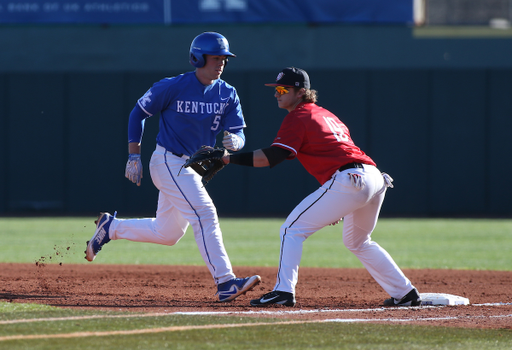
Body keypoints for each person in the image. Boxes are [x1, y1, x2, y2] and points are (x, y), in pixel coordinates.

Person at [221, 67, 421, 307]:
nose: (277, 94)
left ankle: (283, 291)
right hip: (374, 178)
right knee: (358, 242)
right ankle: (405, 293)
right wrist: (340, 203)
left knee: (291, 229)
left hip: (351, 178)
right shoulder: (326, 114)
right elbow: (335, 154)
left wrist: (228, 158)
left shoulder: (299, 116)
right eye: (276, 89)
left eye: (283, 89)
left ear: (301, 92)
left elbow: (273, 156)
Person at [85, 32, 261, 302]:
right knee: (205, 213)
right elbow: (138, 113)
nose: (222, 63)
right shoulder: (172, 86)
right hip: (167, 160)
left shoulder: (228, 93)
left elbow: (238, 132)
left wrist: (236, 140)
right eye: (216, 57)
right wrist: (134, 156)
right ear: (198, 58)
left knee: (167, 233)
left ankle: (111, 228)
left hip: (191, 168)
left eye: (224, 58)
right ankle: (225, 282)